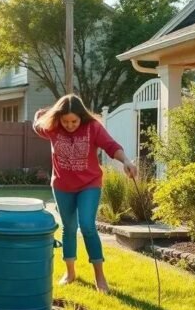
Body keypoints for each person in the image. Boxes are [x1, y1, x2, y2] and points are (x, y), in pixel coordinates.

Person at [33, 94, 137, 292]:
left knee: (87, 226)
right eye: (65, 121)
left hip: (89, 184)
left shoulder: (93, 128)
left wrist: (126, 161)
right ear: (59, 118)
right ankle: (70, 273)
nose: (70, 125)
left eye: (74, 121)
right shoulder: (53, 127)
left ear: (81, 117)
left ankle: (100, 277)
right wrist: (45, 114)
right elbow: (37, 122)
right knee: (69, 228)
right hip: (62, 186)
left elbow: (111, 146)